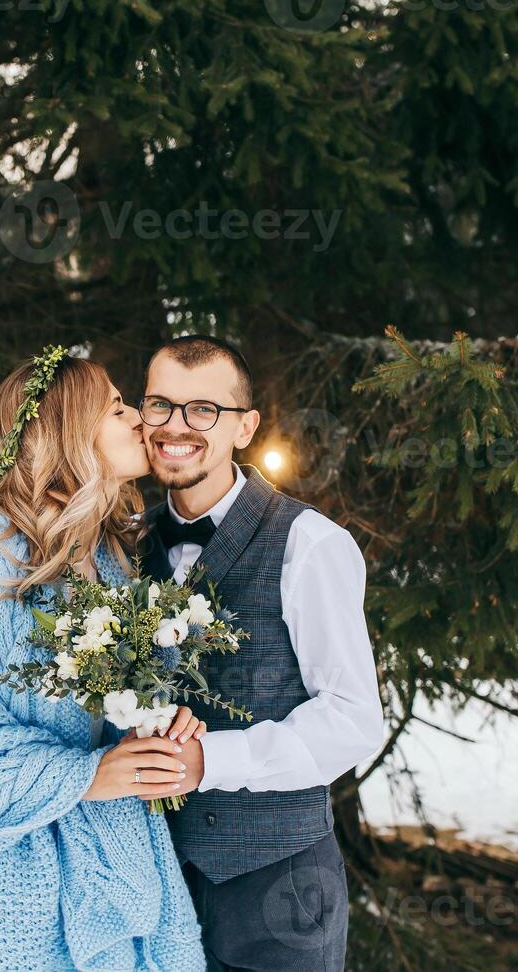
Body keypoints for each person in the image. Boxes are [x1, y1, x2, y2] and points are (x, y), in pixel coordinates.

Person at [0, 348, 210, 972]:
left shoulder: (115, 560)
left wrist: (161, 726)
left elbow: (108, 721)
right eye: (118, 408)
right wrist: (81, 775)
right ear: (72, 432)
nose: (140, 421)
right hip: (4, 873)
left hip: (112, 856)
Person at [136, 334, 385, 971]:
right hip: (147, 886)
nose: (176, 427)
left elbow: (352, 718)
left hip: (280, 895)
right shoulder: (119, 545)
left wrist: (208, 761)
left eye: (203, 410)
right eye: (160, 405)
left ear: (245, 427)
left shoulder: (309, 543)